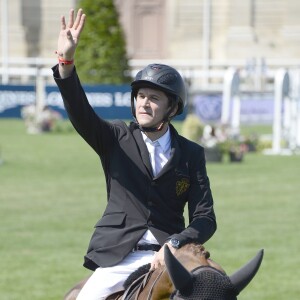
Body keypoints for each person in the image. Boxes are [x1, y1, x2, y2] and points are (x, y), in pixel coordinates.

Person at [53, 8, 217, 300]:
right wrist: (66, 63)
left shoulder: (192, 154)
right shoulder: (116, 138)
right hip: (118, 257)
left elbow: (205, 218)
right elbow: (80, 113)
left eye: (154, 98)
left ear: (173, 108)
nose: (144, 104)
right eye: (141, 96)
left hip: (172, 258)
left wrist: (176, 242)